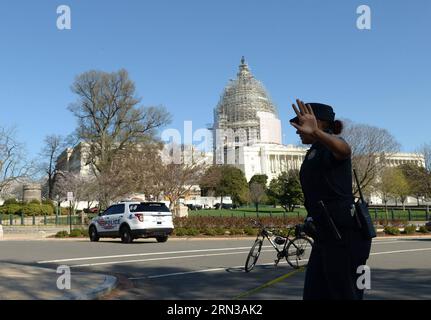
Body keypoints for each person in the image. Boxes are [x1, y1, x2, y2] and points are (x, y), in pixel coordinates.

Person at [289, 99, 372, 300]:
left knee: (346, 294)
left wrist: (316, 132)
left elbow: (345, 150)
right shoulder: (314, 152)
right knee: (314, 294)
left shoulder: (332, 146)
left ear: (319, 123)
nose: (298, 130)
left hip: (347, 236)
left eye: (301, 124)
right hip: (326, 235)